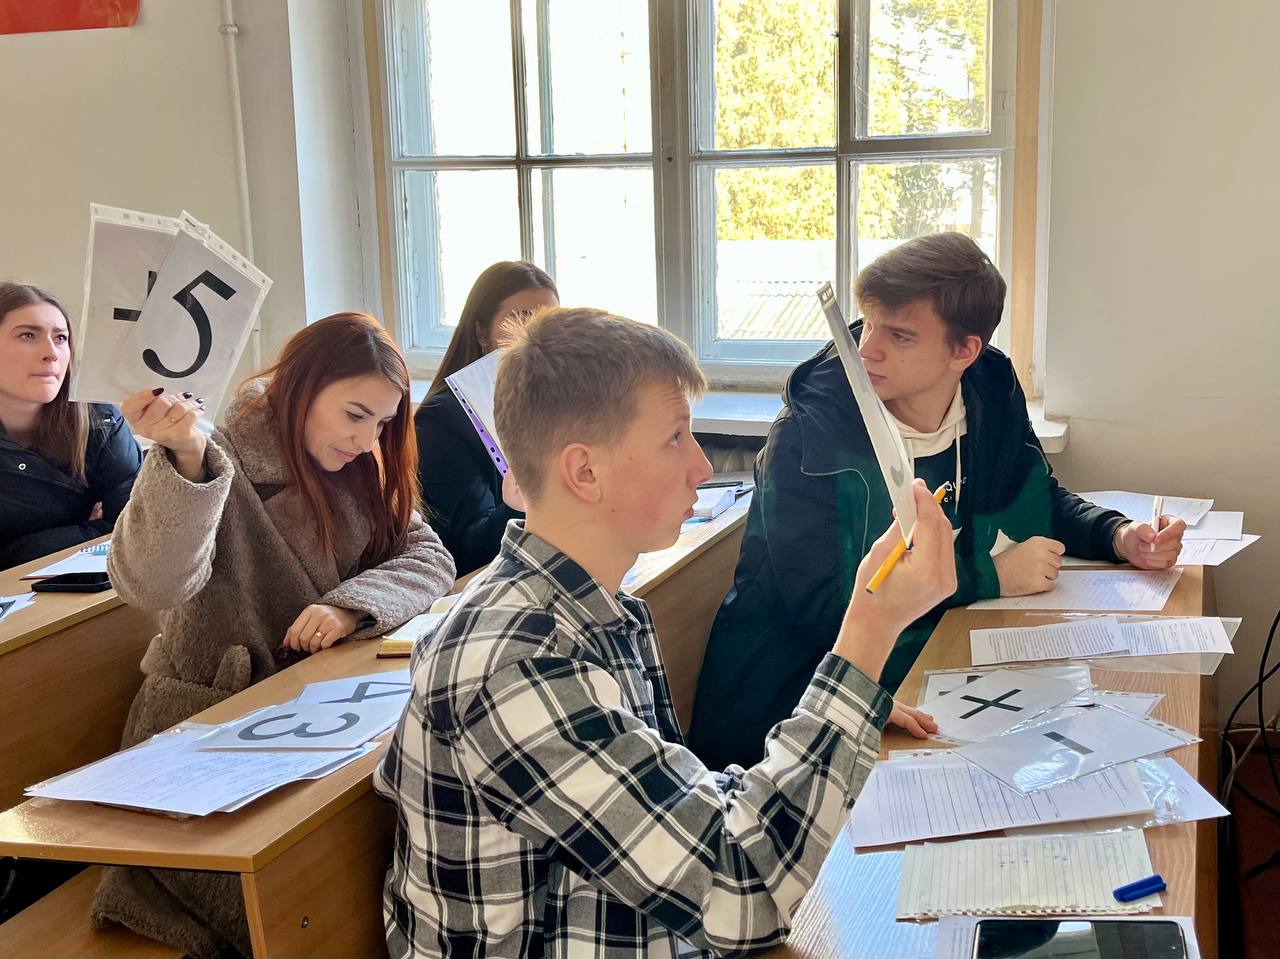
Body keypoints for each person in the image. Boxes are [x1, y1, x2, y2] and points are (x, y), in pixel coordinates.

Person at [374, 307, 956, 958]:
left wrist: (845, 713)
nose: (702, 466)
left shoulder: (598, 609)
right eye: (676, 437)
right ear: (584, 472)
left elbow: (683, 808)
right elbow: (739, 892)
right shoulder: (514, 663)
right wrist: (869, 634)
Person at [688, 232, 1186, 771]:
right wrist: (991, 576)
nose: (867, 349)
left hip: (925, 665)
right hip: (791, 704)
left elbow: (1034, 496)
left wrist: (1117, 535)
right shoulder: (810, 432)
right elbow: (828, 607)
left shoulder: (990, 388)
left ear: (964, 352)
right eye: (868, 323)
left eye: (899, 335)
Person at [92, 312, 456, 959]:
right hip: (207, 727)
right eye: (355, 415)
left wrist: (350, 607)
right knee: (302, 899)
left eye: (381, 423)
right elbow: (150, 584)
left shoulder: (361, 465)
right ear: (302, 388)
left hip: (313, 711)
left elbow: (430, 557)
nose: (367, 438)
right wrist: (185, 459)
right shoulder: (217, 452)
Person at [415, 260, 558, 575]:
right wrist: (517, 505)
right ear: (481, 332)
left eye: (549, 323)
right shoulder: (440, 422)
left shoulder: (555, 405)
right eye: (520, 319)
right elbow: (465, 552)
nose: (537, 337)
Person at [0, 282, 141, 569]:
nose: (51, 353)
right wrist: (88, 532)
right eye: (28, 335)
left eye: (60, 338)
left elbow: (134, 526)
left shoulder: (99, 421)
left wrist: (18, 552)